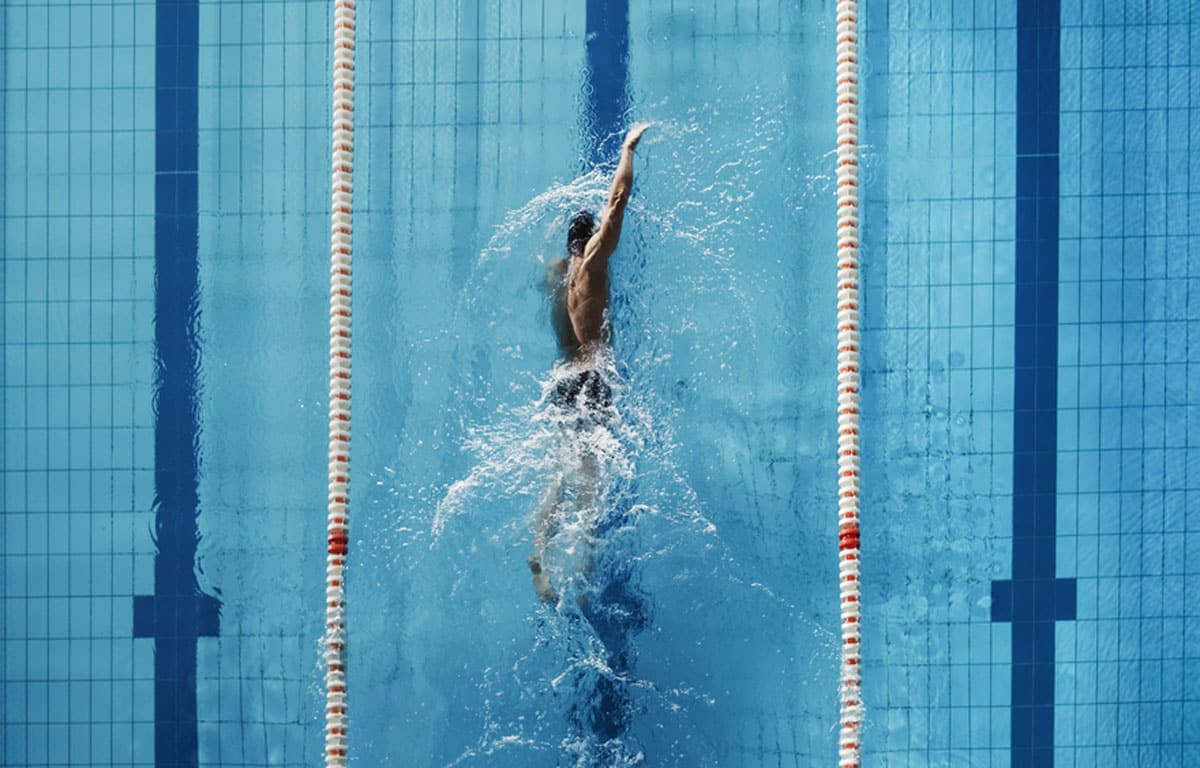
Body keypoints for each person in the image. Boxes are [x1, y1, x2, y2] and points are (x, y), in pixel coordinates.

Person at [529, 123, 650, 603]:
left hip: (561, 379)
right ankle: (581, 574)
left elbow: (554, 265)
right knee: (591, 480)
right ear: (590, 240)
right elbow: (616, 203)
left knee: (557, 472)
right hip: (592, 380)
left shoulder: (556, 274)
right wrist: (627, 150)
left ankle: (539, 555)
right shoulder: (593, 265)